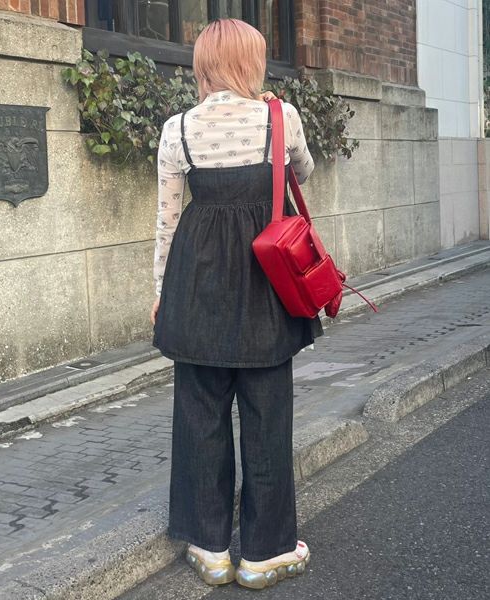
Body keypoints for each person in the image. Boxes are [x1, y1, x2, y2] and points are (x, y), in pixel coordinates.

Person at [149, 17, 323, 590]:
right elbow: (303, 173)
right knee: (268, 417)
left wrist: (160, 295)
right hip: (265, 287)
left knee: (200, 415)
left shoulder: (177, 129)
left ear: (202, 65)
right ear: (252, 62)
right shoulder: (281, 117)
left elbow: (167, 222)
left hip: (196, 285)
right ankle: (267, 553)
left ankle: (210, 549)